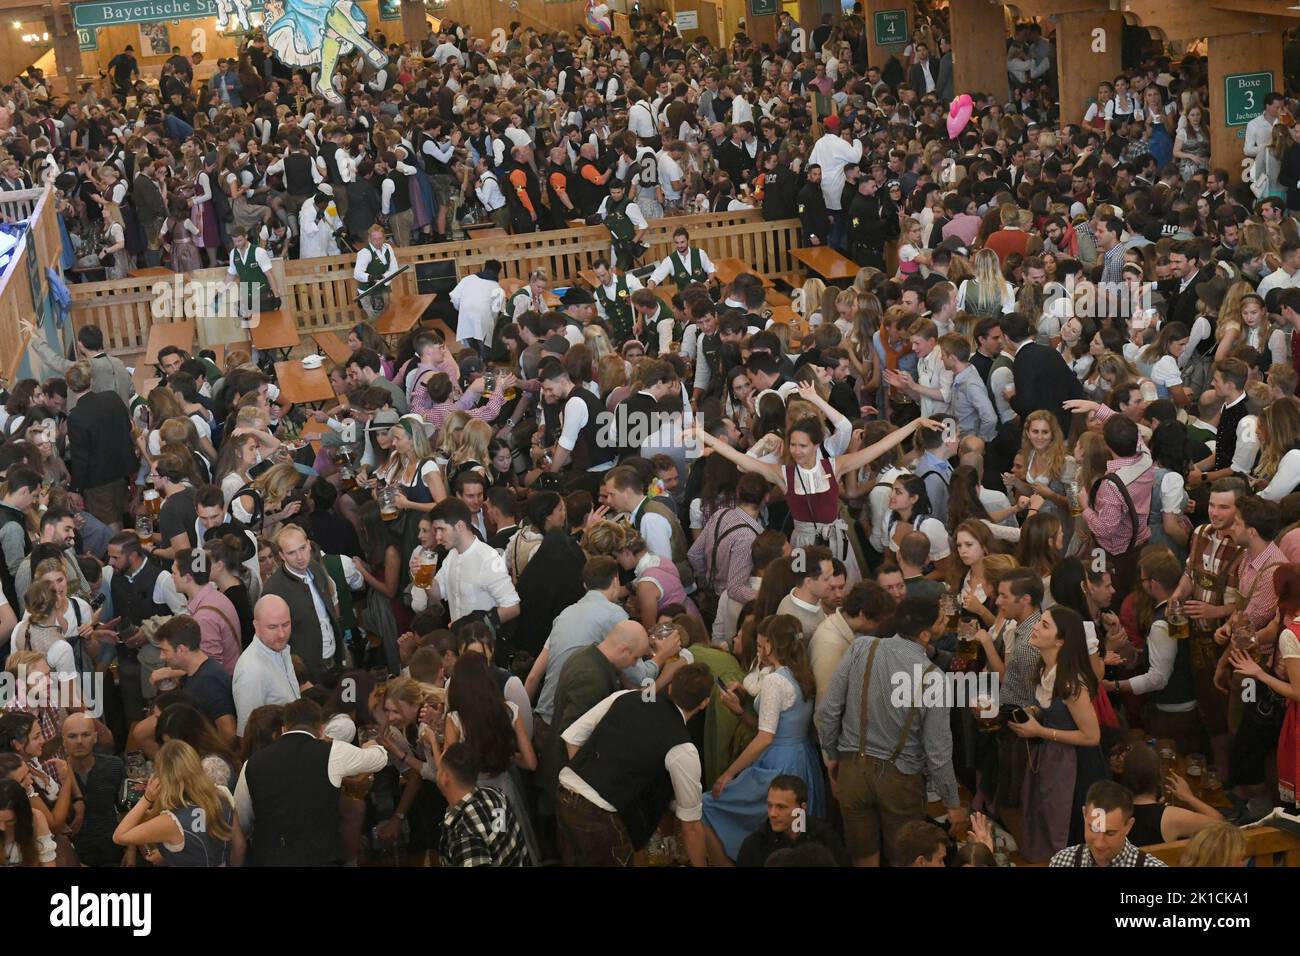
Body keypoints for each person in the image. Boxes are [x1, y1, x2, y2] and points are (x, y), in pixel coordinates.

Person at [815, 597, 967, 866]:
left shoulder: (862, 647)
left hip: (853, 769)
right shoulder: (934, 678)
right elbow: (938, 752)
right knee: (906, 858)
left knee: (863, 857)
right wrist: (952, 805)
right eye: (942, 620)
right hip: (901, 781)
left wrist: (833, 755)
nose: (947, 623)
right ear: (924, 634)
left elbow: (827, 711)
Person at [555, 663, 713, 867]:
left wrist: (587, 781)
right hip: (598, 814)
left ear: (671, 687)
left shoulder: (625, 697)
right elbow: (690, 825)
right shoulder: (683, 748)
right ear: (704, 703)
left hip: (564, 793)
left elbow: (572, 738)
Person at [701, 614, 826, 864]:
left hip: (776, 764)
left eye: (761, 644)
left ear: (770, 644)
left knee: (706, 805)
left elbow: (765, 737)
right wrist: (740, 710)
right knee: (796, 830)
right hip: (803, 758)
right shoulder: (803, 675)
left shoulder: (775, 682)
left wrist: (728, 774)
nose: (759, 649)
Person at [233, 697, 388, 866]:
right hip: (320, 859)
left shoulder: (251, 764)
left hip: (271, 860)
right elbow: (379, 759)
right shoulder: (331, 752)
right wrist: (372, 745)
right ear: (321, 730)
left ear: (284, 729)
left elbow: (241, 822)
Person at [112, 739, 244, 867]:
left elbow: (119, 836)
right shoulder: (222, 796)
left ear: (163, 777)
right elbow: (239, 846)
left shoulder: (170, 822)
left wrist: (147, 798)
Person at [433, 742, 529, 867]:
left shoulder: (464, 833)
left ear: (445, 777)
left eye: (439, 769)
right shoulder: (494, 796)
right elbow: (499, 835)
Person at [735, 774, 850, 867]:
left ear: (802, 808)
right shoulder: (755, 844)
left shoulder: (824, 837)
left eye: (781, 807)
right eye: (770, 805)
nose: (772, 814)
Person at [1049, 779, 1168, 867]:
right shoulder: (1061, 862)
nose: (1099, 844)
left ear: (1128, 826)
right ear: (1084, 815)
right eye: (1094, 829)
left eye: (1110, 833)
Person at [231, 595, 301, 736]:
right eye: (272, 627)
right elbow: (247, 732)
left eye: (286, 625)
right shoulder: (251, 670)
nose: (281, 634)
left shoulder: (280, 649)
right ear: (256, 626)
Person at [353, 223, 401, 320]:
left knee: (386, 317)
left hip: (382, 287)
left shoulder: (388, 248)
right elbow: (357, 274)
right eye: (375, 239)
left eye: (380, 238)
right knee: (375, 319)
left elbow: (394, 269)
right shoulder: (365, 253)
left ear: (384, 237)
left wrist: (383, 277)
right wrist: (370, 277)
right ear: (370, 239)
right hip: (367, 291)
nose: (378, 242)